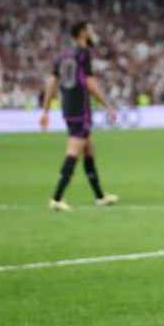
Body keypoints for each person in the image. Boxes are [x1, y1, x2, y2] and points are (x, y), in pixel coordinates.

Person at [38, 21, 119, 211]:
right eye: (90, 30)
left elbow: (51, 83)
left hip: (68, 108)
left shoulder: (62, 55)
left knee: (89, 149)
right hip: (80, 110)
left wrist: (45, 110)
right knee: (74, 151)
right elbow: (90, 84)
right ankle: (57, 198)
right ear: (82, 33)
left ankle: (100, 196)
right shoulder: (83, 54)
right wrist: (108, 105)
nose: (92, 33)